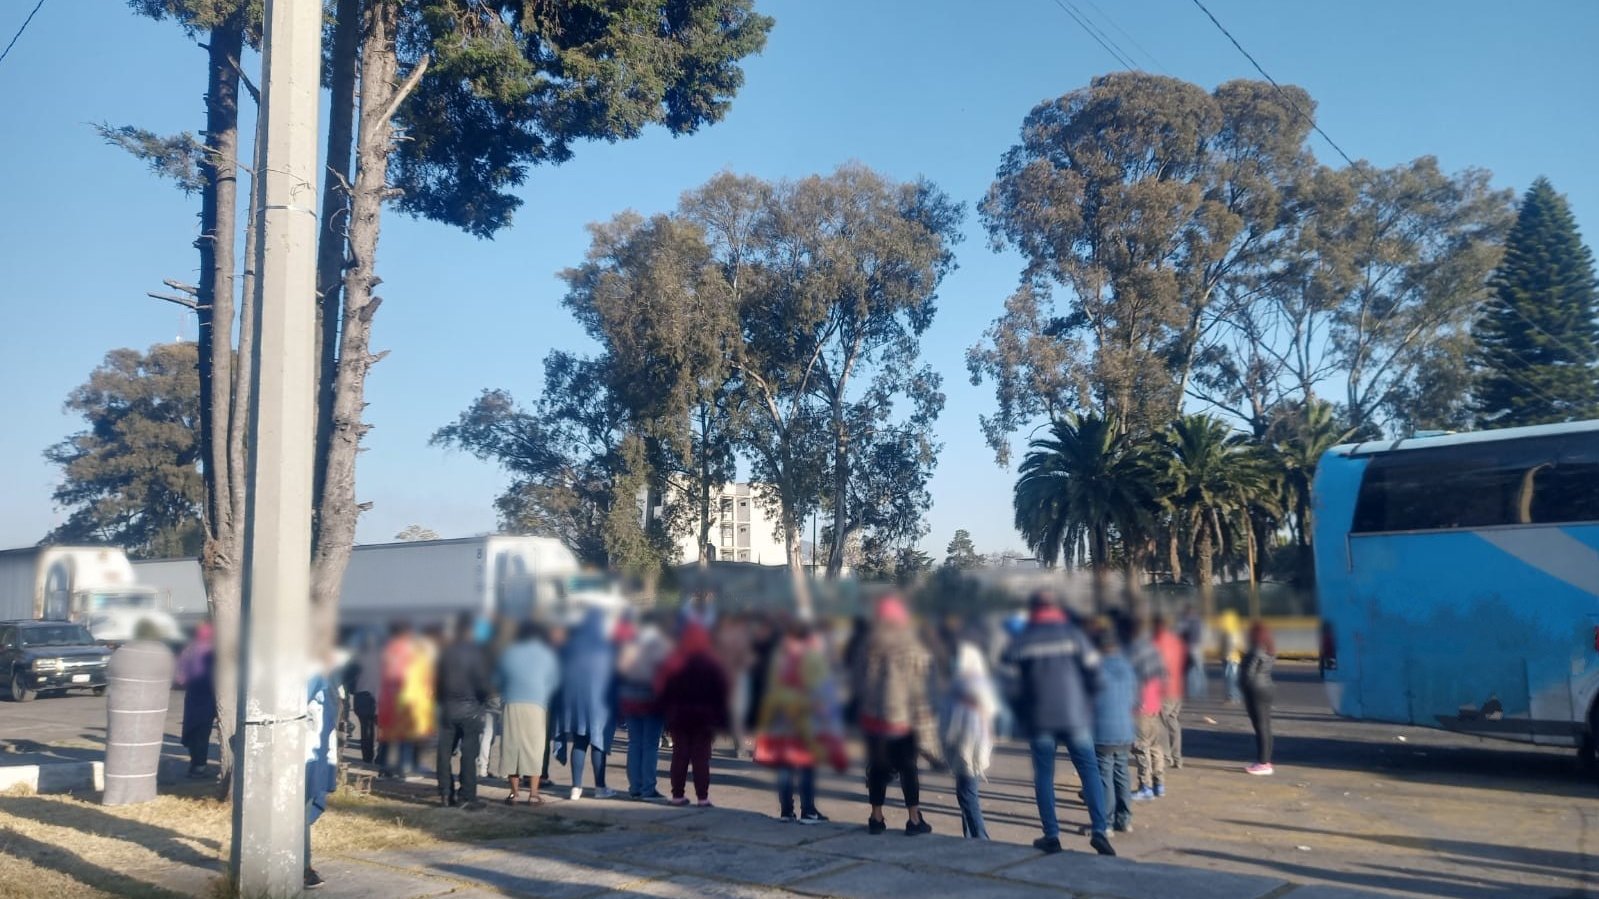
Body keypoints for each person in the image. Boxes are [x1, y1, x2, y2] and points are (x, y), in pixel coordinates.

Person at [1003, 592, 1115, 857]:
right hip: (1076, 717)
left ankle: (1051, 836)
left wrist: (1022, 712)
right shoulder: (1074, 635)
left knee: (1044, 775)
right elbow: (1097, 676)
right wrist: (1087, 703)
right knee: (1089, 771)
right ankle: (1100, 830)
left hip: (1040, 719)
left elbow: (1008, 685)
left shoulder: (1021, 640)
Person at [854, 595, 939, 837]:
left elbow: (858, 684)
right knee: (908, 769)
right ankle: (914, 819)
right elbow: (921, 687)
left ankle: (876, 816)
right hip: (902, 721)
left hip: (873, 720)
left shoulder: (867, 646)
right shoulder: (912, 647)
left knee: (878, 768)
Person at [656, 621, 730, 807]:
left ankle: (677, 795)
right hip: (704, 719)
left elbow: (662, 688)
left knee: (679, 756)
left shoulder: (674, 660)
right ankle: (703, 797)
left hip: (678, 717)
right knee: (701, 759)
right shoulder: (712, 661)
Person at [554, 609, 617, 800]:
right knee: (598, 744)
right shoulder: (605, 648)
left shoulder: (571, 647)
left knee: (579, 742)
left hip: (575, 704)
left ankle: (576, 787)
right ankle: (600, 787)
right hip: (600, 705)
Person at [498, 619, 561, 805]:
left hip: (511, 703)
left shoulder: (508, 653)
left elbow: (498, 678)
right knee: (535, 747)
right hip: (537, 704)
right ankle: (533, 794)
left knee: (512, 746)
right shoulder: (546, 655)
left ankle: (513, 793)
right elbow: (554, 682)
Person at [435, 613, 493, 809]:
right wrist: (483, 702)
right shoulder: (476, 654)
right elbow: (482, 684)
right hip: (470, 709)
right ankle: (467, 795)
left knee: (444, 753)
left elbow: (437, 682)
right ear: (470, 631)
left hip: (448, 708)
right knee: (468, 755)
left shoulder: (445, 653)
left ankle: (445, 793)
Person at [942, 638, 997, 839]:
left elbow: (961, 723)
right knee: (965, 793)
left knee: (967, 795)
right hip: (967, 750)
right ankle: (970, 836)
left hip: (968, 750)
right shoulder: (974, 683)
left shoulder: (967, 686)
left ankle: (980, 837)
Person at [617, 613, 672, 800]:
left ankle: (635, 787)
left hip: (630, 698)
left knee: (634, 743)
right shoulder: (661, 645)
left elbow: (621, 669)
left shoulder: (630, 644)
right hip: (651, 701)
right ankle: (648, 788)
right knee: (650, 746)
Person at [1091, 625, 1137, 834]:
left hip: (1102, 731)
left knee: (1104, 777)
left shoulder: (1094, 669)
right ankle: (1125, 819)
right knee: (1122, 773)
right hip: (1125, 730)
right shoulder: (1127, 668)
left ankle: (1106, 822)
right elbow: (1135, 698)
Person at [304, 651, 339, 891]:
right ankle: (301, 866)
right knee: (300, 808)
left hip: (316, 750)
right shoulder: (309, 670)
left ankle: (302, 865)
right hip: (304, 752)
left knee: (304, 806)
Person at [1127, 618, 1168, 801]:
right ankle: (1159, 784)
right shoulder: (1154, 649)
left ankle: (1145, 787)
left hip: (1140, 705)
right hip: (1154, 703)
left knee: (1140, 747)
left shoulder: (1133, 652)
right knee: (1155, 746)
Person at [175, 622, 216, 778]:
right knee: (203, 731)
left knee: (193, 730)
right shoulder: (215, 650)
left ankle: (197, 763)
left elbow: (180, 677)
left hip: (195, 696)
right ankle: (199, 764)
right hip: (210, 696)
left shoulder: (189, 651)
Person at [713, 614, 755, 758]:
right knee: (735, 714)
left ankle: (738, 746)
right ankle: (739, 747)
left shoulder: (723, 638)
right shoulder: (737, 638)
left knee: (735, 714)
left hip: (731, 677)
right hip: (732, 678)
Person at [1241, 621, 1277, 776]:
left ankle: (1263, 763)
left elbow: (1248, 674)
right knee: (1266, 726)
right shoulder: (1269, 648)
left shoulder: (1255, 649)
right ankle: (1265, 760)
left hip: (1255, 690)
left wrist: (1242, 688)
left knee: (1260, 726)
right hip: (1267, 687)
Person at [1152, 616, 1187, 772]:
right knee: (1172, 721)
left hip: (1165, 689)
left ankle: (1166, 756)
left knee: (1161, 723)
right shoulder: (1176, 641)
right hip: (1177, 687)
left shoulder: (1157, 642)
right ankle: (1177, 757)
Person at [350, 630, 382, 764]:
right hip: (379, 697)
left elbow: (349, 678)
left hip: (361, 695)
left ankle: (367, 757)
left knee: (365, 728)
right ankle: (381, 757)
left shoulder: (358, 658)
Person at [1219, 610, 1244, 705]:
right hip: (1232, 658)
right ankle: (1234, 696)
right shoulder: (1232, 631)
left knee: (1230, 678)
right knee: (1232, 678)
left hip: (1230, 659)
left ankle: (1232, 697)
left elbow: (1231, 645)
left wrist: (1224, 655)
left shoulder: (1231, 632)